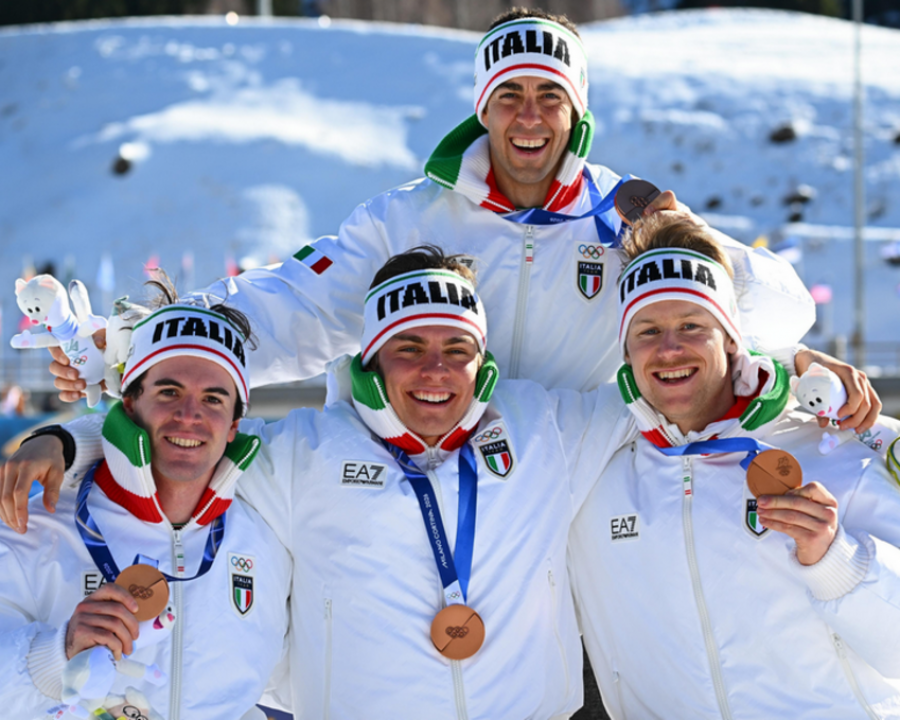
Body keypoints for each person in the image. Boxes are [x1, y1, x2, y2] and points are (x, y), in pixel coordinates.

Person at [46, 8, 874, 413]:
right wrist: (143, 346)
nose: (528, 115)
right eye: (508, 94)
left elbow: (779, 307)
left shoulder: (622, 217)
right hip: (413, 502)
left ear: (575, 113)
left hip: (567, 505)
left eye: (549, 96)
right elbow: (287, 308)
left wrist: (691, 244)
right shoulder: (408, 220)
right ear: (482, 107)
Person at [11, 246, 637, 719]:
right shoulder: (302, 454)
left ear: (483, 360)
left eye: (457, 348)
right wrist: (73, 439)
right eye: (409, 346)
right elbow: (182, 443)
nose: (435, 370)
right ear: (369, 358)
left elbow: (676, 397)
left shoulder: (547, 430)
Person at [568, 213, 900, 718]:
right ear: (626, 350)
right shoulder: (594, 475)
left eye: (692, 326)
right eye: (648, 331)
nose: (669, 349)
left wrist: (838, 562)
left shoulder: (839, 447)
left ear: (730, 337)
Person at [0, 290, 291, 719]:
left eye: (213, 398)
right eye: (169, 392)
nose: (189, 415)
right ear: (131, 403)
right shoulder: (33, 517)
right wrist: (57, 652)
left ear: (234, 425)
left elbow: (297, 681)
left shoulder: (267, 537)